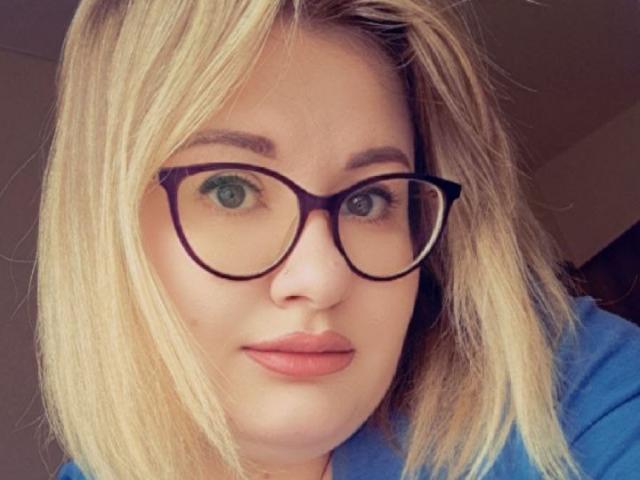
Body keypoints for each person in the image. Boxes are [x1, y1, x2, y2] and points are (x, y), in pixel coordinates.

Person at [38, 1, 640, 479]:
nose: (323, 278)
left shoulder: (562, 391)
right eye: (230, 190)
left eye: (367, 200)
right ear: (106, 228)